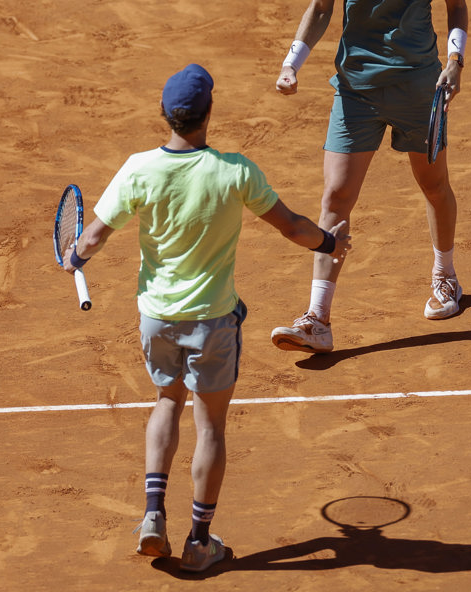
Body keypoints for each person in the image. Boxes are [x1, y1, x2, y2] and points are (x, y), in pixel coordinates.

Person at [62, 63, 350, 572]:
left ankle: (153, 515)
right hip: (213, 322)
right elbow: (291, 227)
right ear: (208, 114)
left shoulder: (137, 170)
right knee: (211, 424)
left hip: (156, 320)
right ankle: (198, 540)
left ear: (165, 115)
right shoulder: (235, 171)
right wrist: (331, 242)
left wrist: (74, 258)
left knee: (166, 402)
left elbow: (89, 240)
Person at [269, 0, 469, 354]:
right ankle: (318, 318)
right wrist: (293, 62)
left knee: (433, 186)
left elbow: (457, 6)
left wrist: (454, 61)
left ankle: (445, 274)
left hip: (419, 89)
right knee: (335, 197)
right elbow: (318, 9)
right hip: (355, 91)